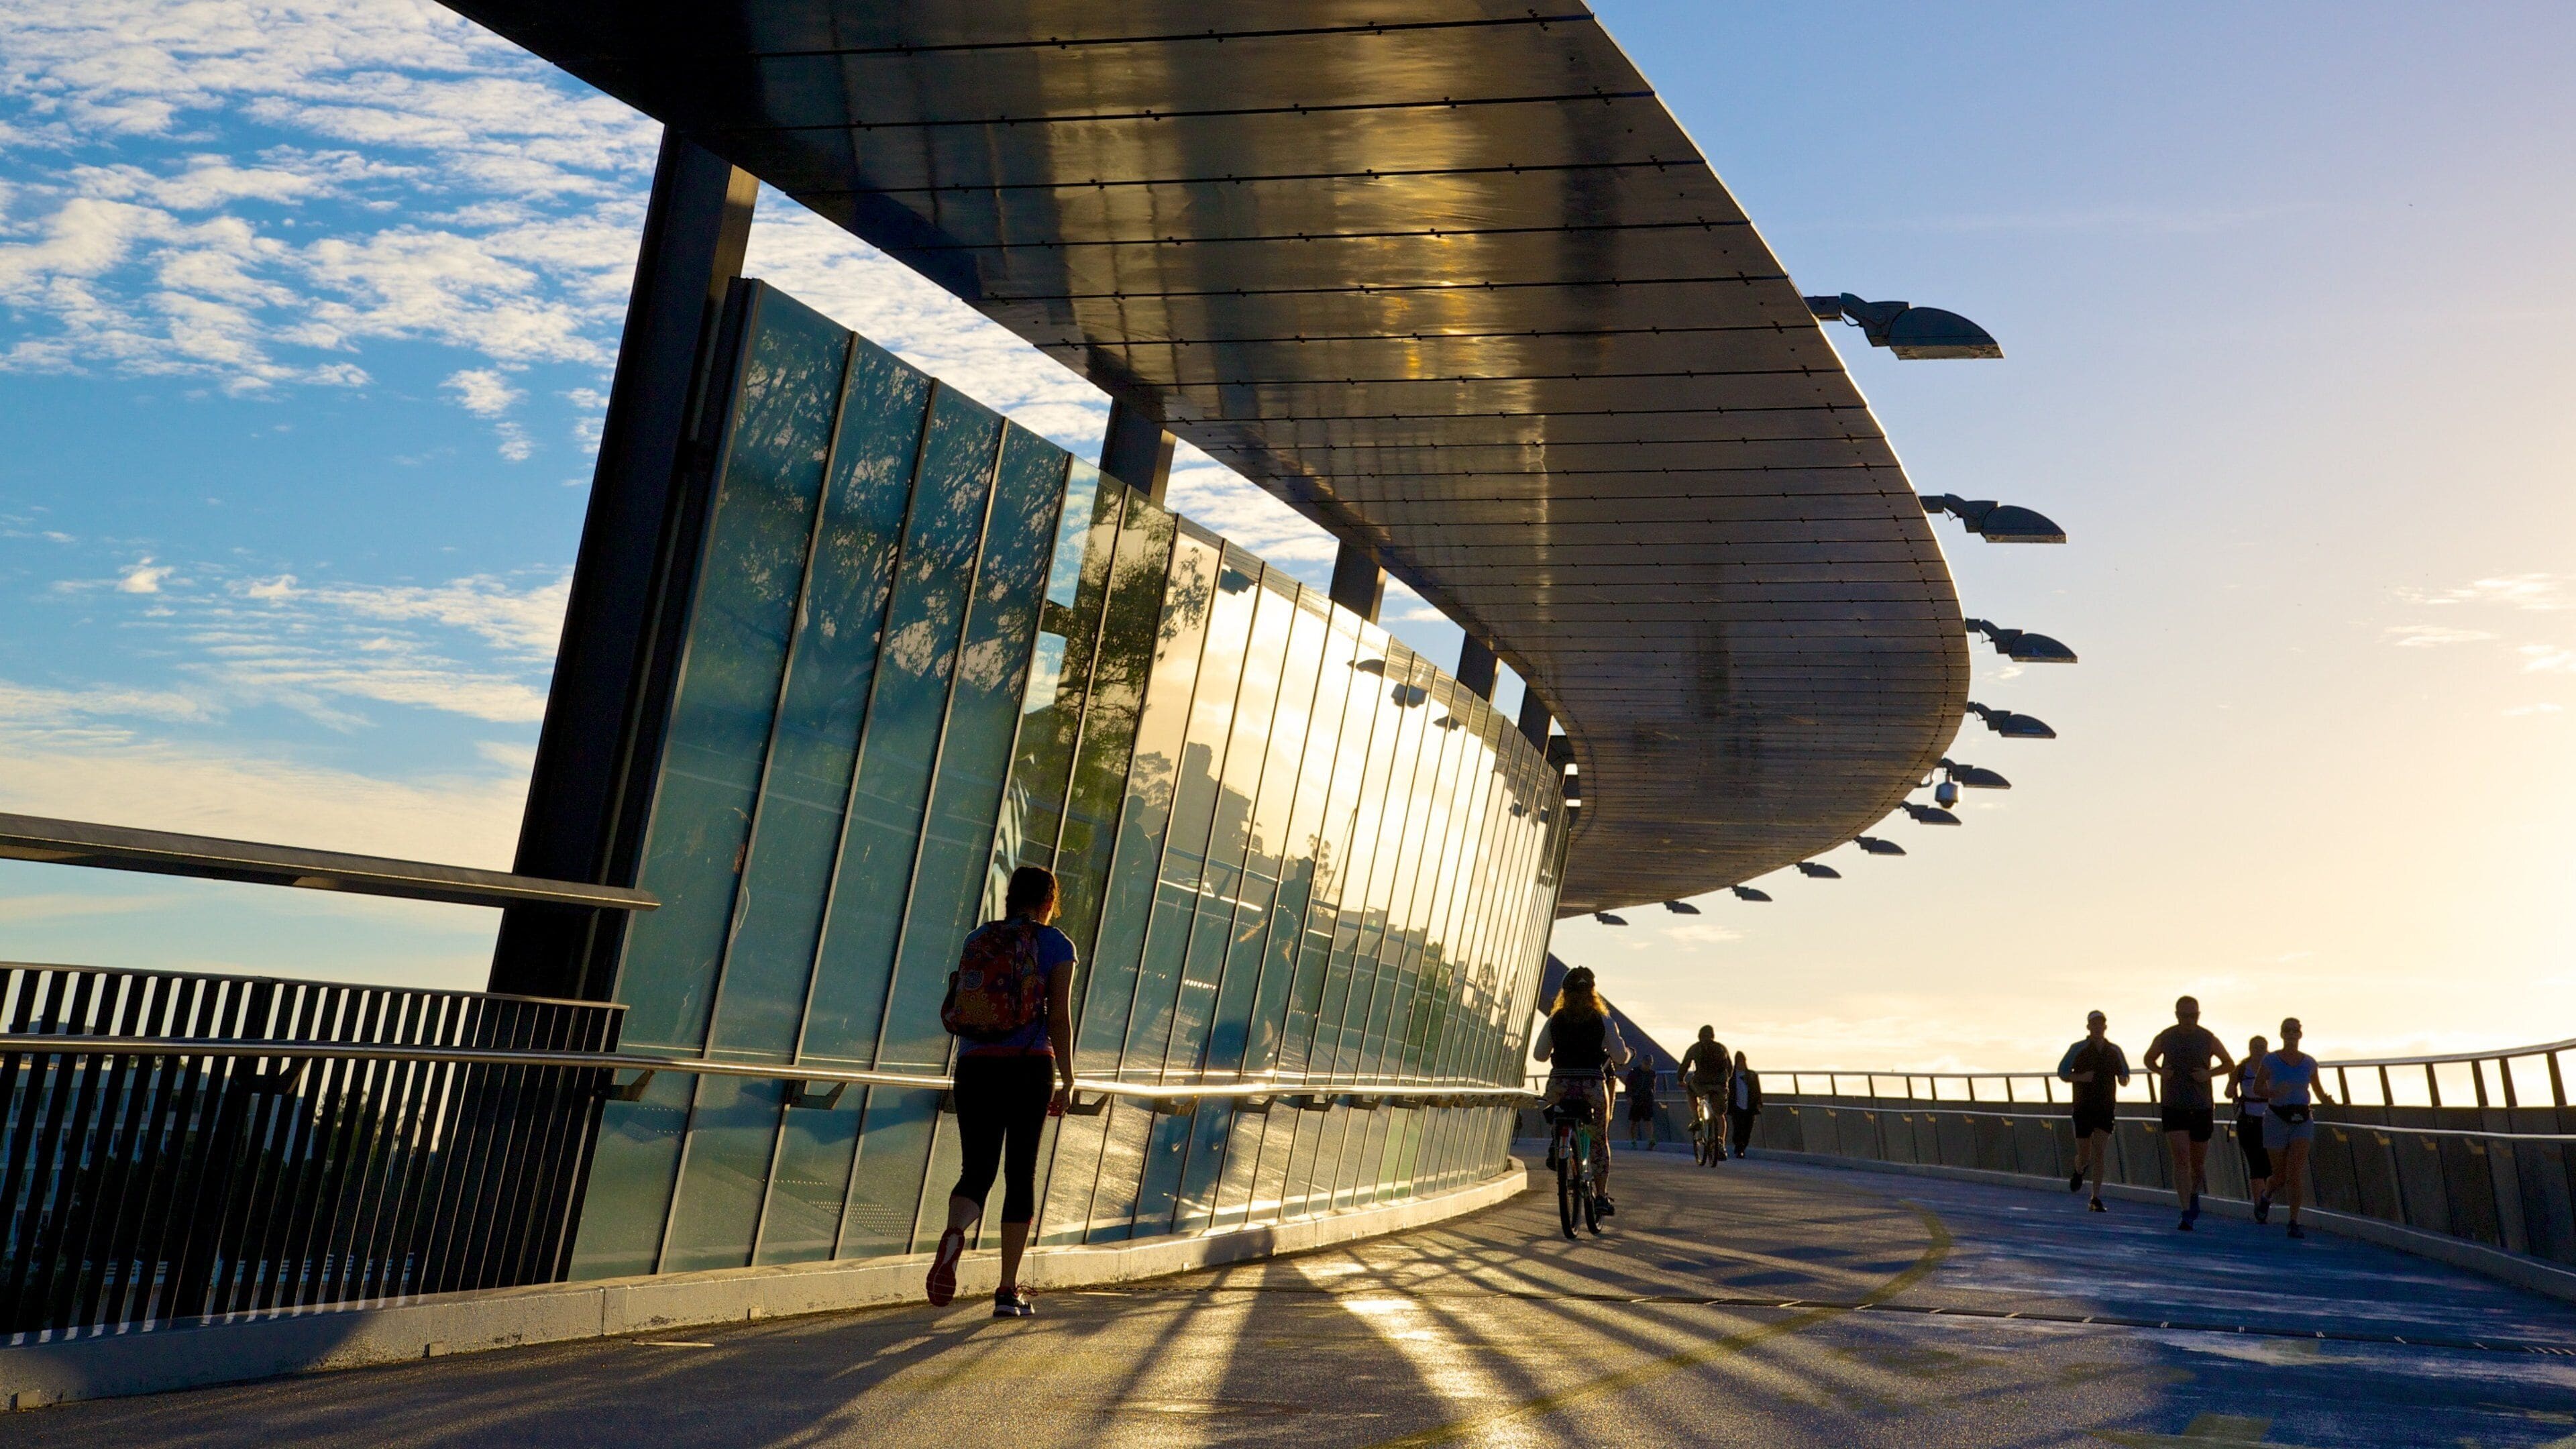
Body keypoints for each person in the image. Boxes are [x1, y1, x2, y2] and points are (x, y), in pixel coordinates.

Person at [925, 866, 1078, 1318]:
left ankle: (956, 1231)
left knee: (977, 1169)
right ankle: (1008, 1290)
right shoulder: (1056, 945)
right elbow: (1059, 1019)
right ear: (1049, 903)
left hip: (975, 1064)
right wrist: (1069, 1079)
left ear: (1011, 899)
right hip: (1029, 1067)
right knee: (1020, 1174)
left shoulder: (979, 938)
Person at [1532, 965, 1631, 1214]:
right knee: (1599, 1140)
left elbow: (1540, 1055)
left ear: (1563, 993)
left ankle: (1558, 1146)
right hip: (1591, 1086)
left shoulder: (1555, 1020)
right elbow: (1619, 1056)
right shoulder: (1603, 1020)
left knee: (1556, 1112)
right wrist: (1628, 1054)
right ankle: (1601, 1196)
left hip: (1560, 1084)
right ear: (1593, 992)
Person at [2143, 996, 2235, 1232]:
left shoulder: (2208, 1038)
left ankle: (2194, 1194)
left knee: (2198, 1163)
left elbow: (2229, 1063)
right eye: (2185, 1015)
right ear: (2177, 1015)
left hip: (2201, 1105)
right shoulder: (2166, 1037)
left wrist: (2209, 1074)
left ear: (2199, 1015)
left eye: (2193, 1015)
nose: (2189, 1020)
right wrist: (2160, 1071)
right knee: (2181, 1159)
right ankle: (2185, 1211)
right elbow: (2148, 1058)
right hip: (2174, 1105)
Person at [2254, 1018, 2335, 1240]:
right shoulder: (2270, 1061)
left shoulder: (2309, 1063)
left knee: (2294, 1173)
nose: (2291, 1034)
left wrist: (2330, 1102)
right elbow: (2257, 1088)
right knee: (2279, 1175)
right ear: (2281, 1034)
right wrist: (2274, 1093)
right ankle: (2267, 1194)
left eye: (2295, 1031)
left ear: (2301, 1035)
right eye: (2287, 1031)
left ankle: (2293, 1221)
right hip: (2276, 1118)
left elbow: (2318, 1090)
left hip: (2302, 1118)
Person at [2057, 1010, 2130, 1212]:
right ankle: (2079, 1169)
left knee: (2100, 1152)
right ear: (2088, 1027)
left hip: (2106, 1107)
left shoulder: (2114, 1050)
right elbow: (2062, 1072)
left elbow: (2125, 1074)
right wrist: (2080, 1078)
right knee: (2085, 1154)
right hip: (2083, 1107)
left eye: (2101, 1024)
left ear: (2105, 1027)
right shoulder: (2078, 1048)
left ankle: (2095, 1198)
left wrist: (2123, 1080)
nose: (2098, 1028)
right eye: (2094, 1025)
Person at [2228, 1033, 2275, 1224]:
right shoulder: (2241, 1069)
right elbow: (2229, 1091)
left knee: (2271, 1166)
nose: (2259, 1050)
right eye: (2256, 1047)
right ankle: (2259, 1206)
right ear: (2250, 1049)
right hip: (2248, 1122)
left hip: (2272, 1121)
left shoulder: (2273, 1069)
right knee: (2256, 1163)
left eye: (2262, 1047)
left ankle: (2265, 1199)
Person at [1679, 1026, 1731, 1157]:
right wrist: (1725, 1081)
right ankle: (1721, 1143)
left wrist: (1680, 1079)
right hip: (1719, 1085)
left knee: (1690, 1090)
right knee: (1720, 1115)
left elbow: (1685, 1064)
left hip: (1701, 1084)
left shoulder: (1695, 1048)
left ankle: (1696, 1119)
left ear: (1699, 1036)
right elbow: (1729, 1067)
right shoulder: (1721, 1048)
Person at [1725, 1051, 1762, 1158]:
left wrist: (1759, 1102)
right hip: (1737, 1106)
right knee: (1738, 1128)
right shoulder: (1731, 1077)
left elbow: (1757, 1090)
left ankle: (1742, 1146)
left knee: (1747, 1129)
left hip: (1750, 1106)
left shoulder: (1752, 1075)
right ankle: (1739, 1148)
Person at [1623, 1057, 1659, 1148]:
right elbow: (1628, 1085)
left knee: (1648, 1120)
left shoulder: (1652, 1074)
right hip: (1636, 1098)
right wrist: (1629, 1096)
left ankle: (1651, 1139)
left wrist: (1652, 1098)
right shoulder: (1634, 1072)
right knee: (1634, 1121)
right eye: (1646, 1063)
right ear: (1642, 1062)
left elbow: (1652, 1087)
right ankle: (1633, 1140)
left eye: (1649, 1064)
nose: (1648, 1066)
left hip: (1647, 1098)